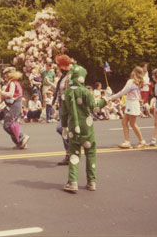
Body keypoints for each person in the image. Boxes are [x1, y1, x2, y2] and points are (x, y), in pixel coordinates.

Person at [61, 64, 112, 193]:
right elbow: (95, 107)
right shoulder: (85, 91)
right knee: (90, 153)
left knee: (74, 154)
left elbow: (63, 113)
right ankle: (91, 182)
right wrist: (106, 98)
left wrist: (64, 127)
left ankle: (72, 182)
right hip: (87, 126)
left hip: (73, 127)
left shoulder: (66, 93)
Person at [110, 67, 147, 149]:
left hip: (132, 104)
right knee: (124, 122)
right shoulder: (137, 82)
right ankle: (127, 141)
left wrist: (111, 97)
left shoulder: (131, 81)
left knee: (132, 124)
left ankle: (141, 141)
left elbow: (123, 92)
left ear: (134, 72)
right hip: (132, 103)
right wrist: (126, 104)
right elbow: (132, 95)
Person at [1, 67, 30, 149]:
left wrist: (1, 92)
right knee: (13, 124)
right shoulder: (15, 83)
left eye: (6, 74)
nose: (5, 76)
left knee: (7, 125)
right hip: (16, 104)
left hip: (15, 105)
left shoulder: (13, 83)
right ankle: (20, 143)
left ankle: (22, 137)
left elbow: (11, 94)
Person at [53, 55, 72, 165]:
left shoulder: (70, 77)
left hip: (68, 106)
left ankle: (71, 151)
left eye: (59, 65)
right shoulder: (63, 77)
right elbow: (59, 90)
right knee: (64, 130)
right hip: (62, 105)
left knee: (61, 128)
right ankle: (69, 154)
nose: (57, 67)